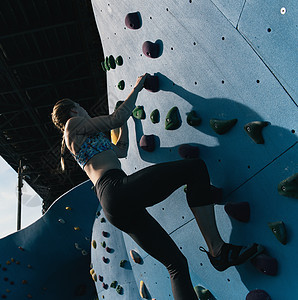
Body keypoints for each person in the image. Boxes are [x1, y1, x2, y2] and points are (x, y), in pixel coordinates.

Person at [51, 74, 264, 300]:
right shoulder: (72, 125)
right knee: (194, 168)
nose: (85, 110)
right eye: (81, 107)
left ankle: (218, 253)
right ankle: (218, 249)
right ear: (73, 111)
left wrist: (128, 121)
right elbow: (114, 118)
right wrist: (137, 87)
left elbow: (121, 150)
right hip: (115, 187)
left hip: (114, 205)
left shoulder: (82, 139)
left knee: (176, 265)